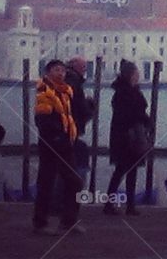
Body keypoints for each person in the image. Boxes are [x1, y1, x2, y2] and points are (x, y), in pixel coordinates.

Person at [33, 59, 83, 235]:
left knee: (74, 181)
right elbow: (42, 119)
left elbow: (67, 117)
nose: (61, 73)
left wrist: (70, 134)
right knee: (47, 182)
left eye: (62, 70)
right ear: (48, 73)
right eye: (56, 70)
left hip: (64, 143)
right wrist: (56, 136)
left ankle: (67, 221)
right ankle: (41, 223)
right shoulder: (45, 92)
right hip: (51, 144)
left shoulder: (64, 92)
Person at [105, 60, 152, 217]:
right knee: (123, 170)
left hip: (127, 134)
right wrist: (145, 121)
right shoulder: (124, 93)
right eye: (136, 72)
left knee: (126, 170)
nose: (138, 75)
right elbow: (129, 114)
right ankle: (120, 205)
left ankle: (124, 204)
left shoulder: (127, 91)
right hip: (127, 136)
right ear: (130, 75)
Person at [64, 58, 94, 178]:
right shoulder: (74, 83)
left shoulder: (66, 81)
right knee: (80, 152)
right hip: (70, 128)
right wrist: (90, 106)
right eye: (83, 67)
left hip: (65, 128)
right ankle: (76, 189)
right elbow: (79, 107)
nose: (85, 70)